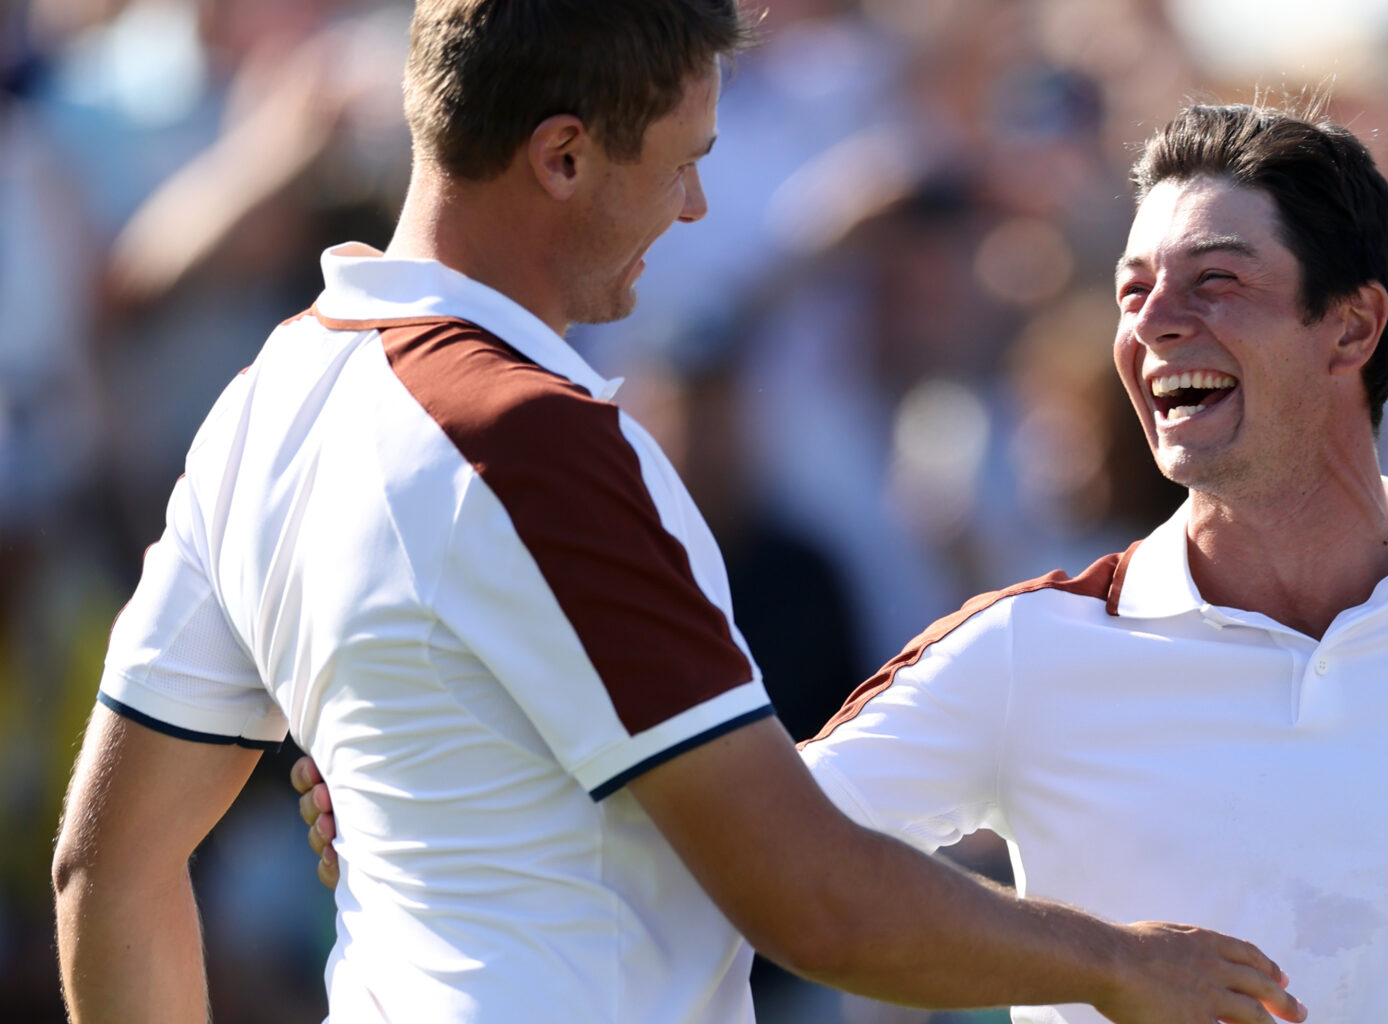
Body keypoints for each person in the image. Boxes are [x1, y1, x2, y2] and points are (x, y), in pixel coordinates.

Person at [304, 98, 1388, 1022]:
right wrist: (424, 800)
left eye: (1215, 283)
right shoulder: (1026, 652)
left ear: (1352, 327)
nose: (1153, 328)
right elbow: (742, 861)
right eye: (1134, 290)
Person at [49, 3, 1307, 1022]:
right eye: (685, 159)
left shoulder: (269, 397)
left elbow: (106, 866)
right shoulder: (531, 443)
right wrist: (1121, 964)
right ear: (563, 156)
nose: (695, 205)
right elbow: (814, 901)